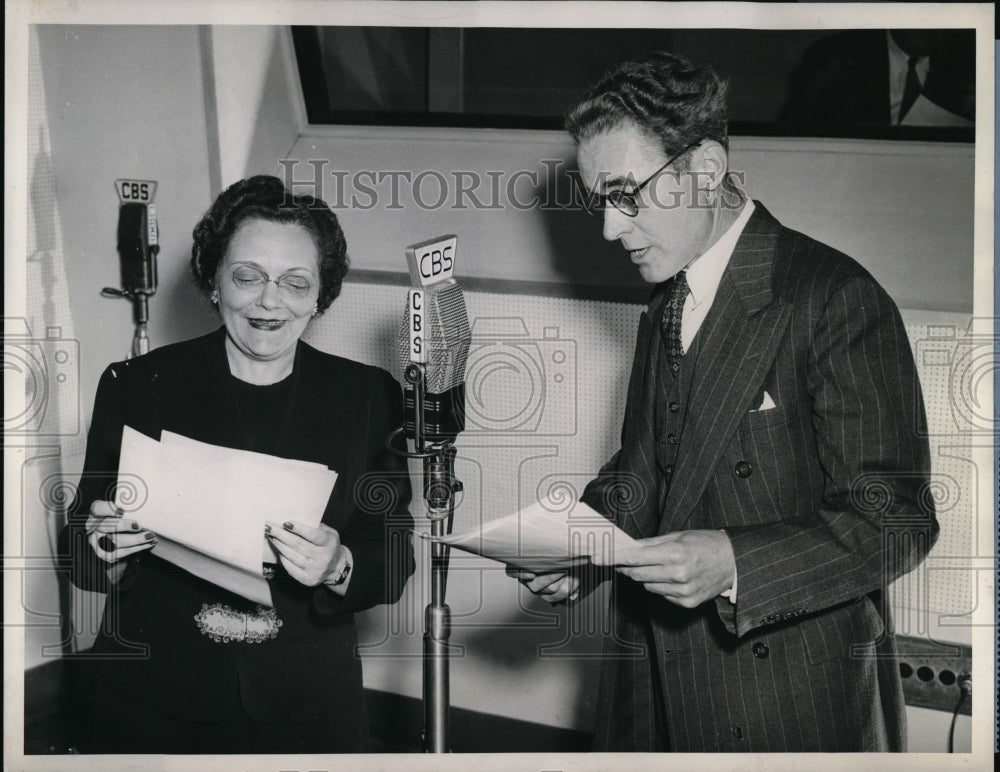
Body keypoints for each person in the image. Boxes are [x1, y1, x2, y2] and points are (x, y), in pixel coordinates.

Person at [509, 52, 937, 752]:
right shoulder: (666, 302)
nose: (611, 230)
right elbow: (650, 467)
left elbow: (899, 519)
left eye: (626, 194)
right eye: (599, 203)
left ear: (704, 169)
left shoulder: (835, 298)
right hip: (653, 676)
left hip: (781, 694)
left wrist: (735, 563)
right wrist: (578, 545)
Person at [61, 175, 414, 753]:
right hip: (156, 696)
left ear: (322, 296)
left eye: (296, 283)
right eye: (247, 277)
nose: (269, 301)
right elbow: (80, 555)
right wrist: (104, 551)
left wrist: (337, 564)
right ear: (213, 281)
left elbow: (394, 556)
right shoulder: (140, 387)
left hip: (307, 704)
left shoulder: (369, 399)